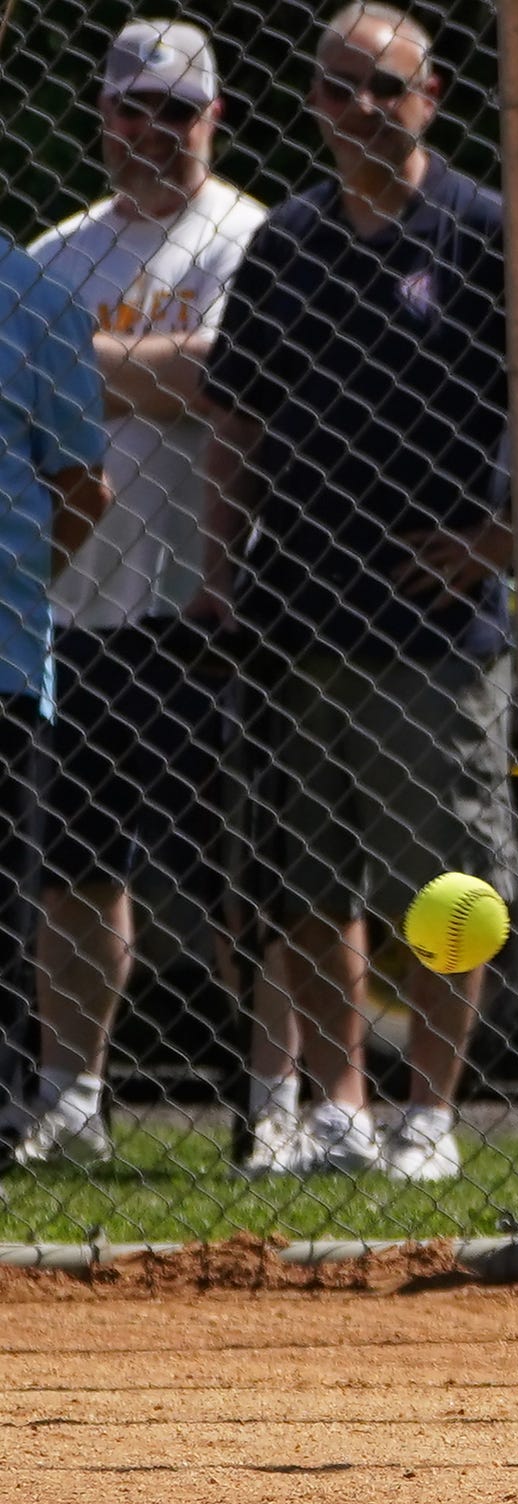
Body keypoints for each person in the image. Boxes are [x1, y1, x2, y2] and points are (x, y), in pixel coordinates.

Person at [195, 3, 518, 1180]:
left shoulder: (489, 231)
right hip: (296, 618)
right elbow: (234, 417)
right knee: (307, 881)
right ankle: (339, 1109)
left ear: (434, 96)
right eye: (340, 88)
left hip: (435, 634)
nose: (362, 109)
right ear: (312, 104)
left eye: (386, 88)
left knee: (446, 884)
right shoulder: (286, 243)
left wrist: (507, 538)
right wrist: (216, 569)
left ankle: (427, 1118)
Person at [22, 20, 272, 1165]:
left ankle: (273, 1103)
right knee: (75, 871)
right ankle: (73, 1100)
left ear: (214, 117)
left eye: (179, 112)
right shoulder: (57, 253)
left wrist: (74, 363)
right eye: (135, 108)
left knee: (241, 881)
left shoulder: (249, 239)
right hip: (76, 610)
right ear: (104, 114)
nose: (155, 133)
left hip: (210, 610)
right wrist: (139, 377)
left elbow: (226, 385)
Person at [0, 227, 113, 1154]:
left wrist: (20, 591)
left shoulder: (38, 299)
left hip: (0, 658)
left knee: (7, 905)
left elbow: (84, 487)